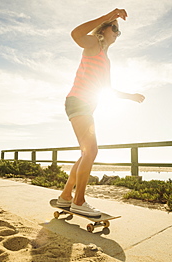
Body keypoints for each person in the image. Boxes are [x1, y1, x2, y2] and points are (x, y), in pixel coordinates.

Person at [57, 9, 145, 216]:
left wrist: (130, 96)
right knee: (91, 151)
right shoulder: (93, 44)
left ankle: (65, 197)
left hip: (86, 106)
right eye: (114, 28)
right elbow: (75, 34)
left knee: (86, 154)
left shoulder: (106, 58)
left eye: (118, 31)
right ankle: (78, 201)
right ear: (104, 29)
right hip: (78, 102)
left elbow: (107, 90)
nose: (116, 33)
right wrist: (107, 16)